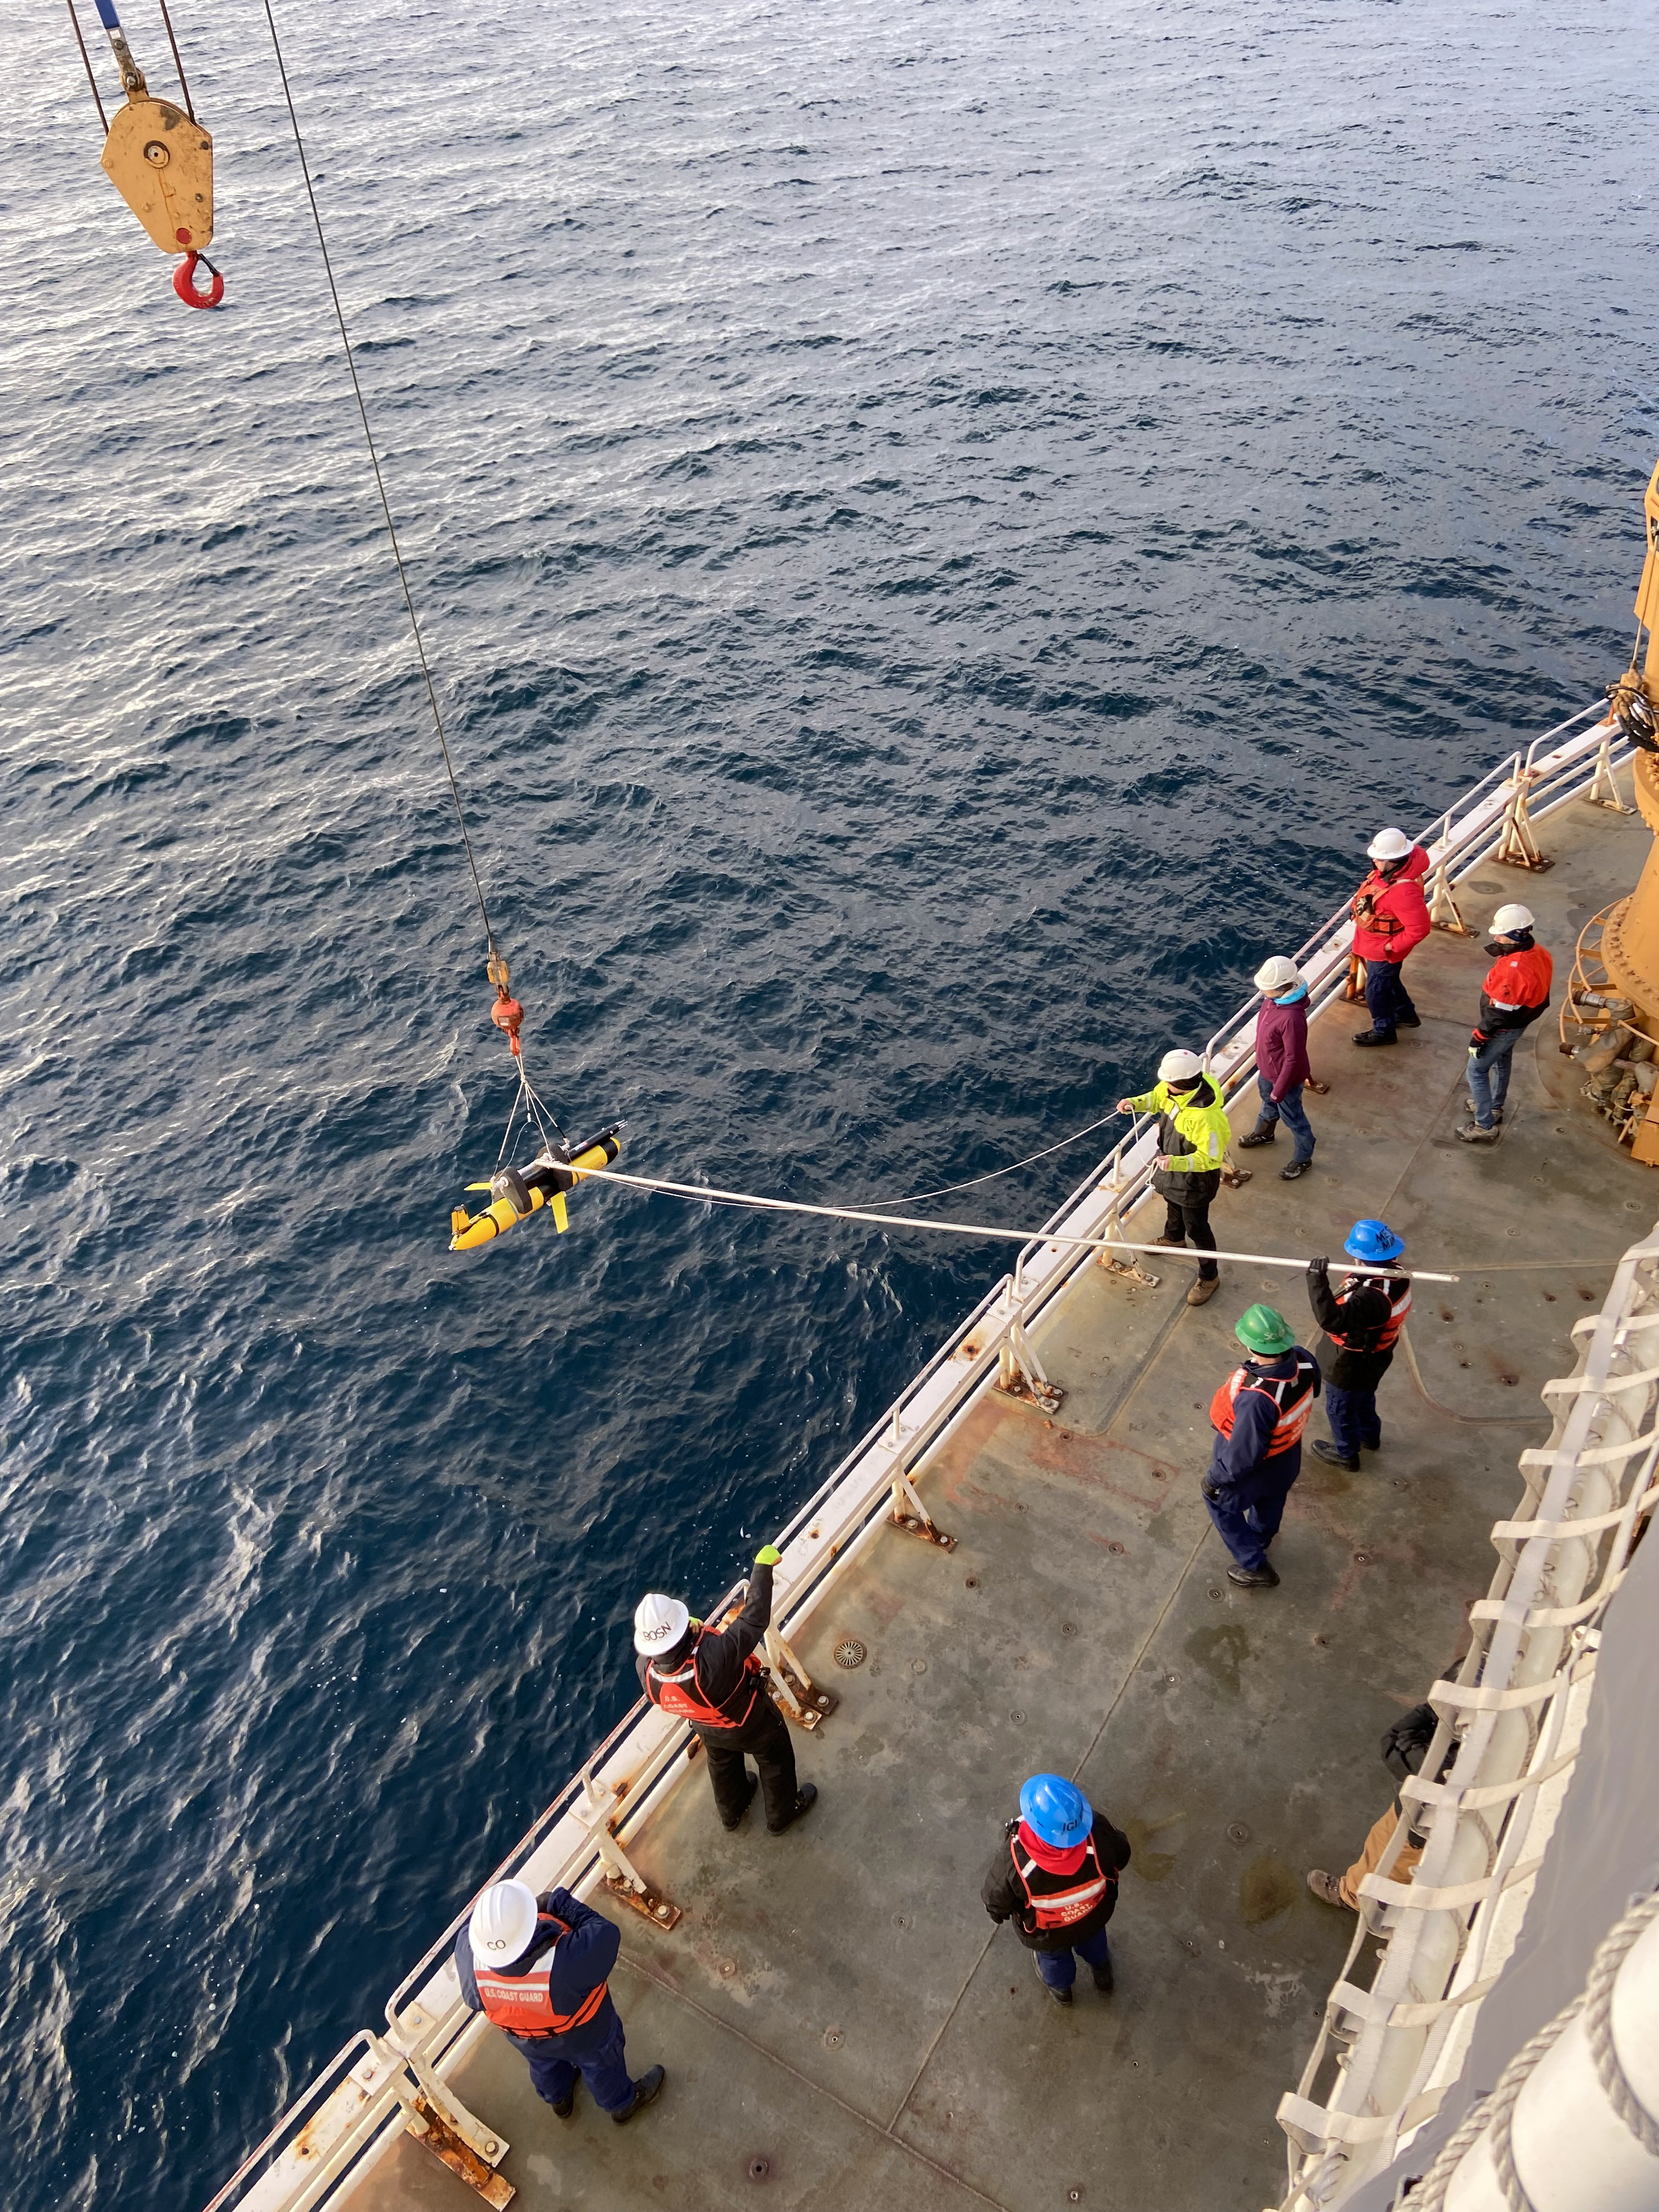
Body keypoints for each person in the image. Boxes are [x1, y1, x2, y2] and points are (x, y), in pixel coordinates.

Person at [635, 1546, 817, 1835]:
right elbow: (754, 1619)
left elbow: (659, 1659)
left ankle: (733, 1812)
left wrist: (684, 1635)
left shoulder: (647, 1673)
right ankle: (781, 1815)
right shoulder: (713, 1658)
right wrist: (762, 1568)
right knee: (776, 1760)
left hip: (707, 1728)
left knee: (721, 1762)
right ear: (682, 1628)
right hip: (751, 1722)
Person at [455, 1878, 665, 2123]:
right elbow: (605, 1934)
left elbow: (473, 1995)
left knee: (545, 2067)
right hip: (586, 2035)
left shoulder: (469, 1958)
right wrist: (559, 1904)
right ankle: (621, 2105)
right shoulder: (566, 1963)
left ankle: (560, 2101)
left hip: (527, 2039)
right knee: (601, 2064)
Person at [980, 1773, 1133, 2005]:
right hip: (1093, 1917)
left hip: (1049, 1934)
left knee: (1054, 1961)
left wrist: (998, 1914)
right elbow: (1122, 1854)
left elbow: (996, 1899)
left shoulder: (1016, 1863)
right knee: (1095, 1944)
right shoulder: (1097, 1833)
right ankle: (1103, 1974)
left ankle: (1062, 1993)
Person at [1203, 1304, 1321, 1588]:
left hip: (1257, 1468)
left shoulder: (1257, 1398)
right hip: (1286, 1459)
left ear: (1248, 1343)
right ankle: (1262, 1536)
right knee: (1272, 1499)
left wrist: (1214, 1479)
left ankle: (1254, 1566)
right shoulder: (1305, 1360)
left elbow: (1242, 1457)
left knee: (1220, 1504)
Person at [1117, 1048, 1234, 1306]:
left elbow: (1212, 1160)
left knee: (1199, 1229)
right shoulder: (1172, 1091)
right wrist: (1134, 1103)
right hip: (1172, 1170)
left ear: (1181, 1083)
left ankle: (1209, 1277)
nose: (1164, 1085)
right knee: (1172, 1204)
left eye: (1168, 1081)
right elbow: (1156, 1098)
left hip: (1195, 1181)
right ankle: (1173, 1239)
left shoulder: (1208, 1118)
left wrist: (1176, 1162)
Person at [1306, 1702, 1446, 1911]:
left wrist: (1427, 1717)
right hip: (1480, 1812)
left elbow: (1395, 1753)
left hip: (1431, 1814)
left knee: (1389, 1850)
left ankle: (1354, 1895)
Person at [1305, 1220, 1412, 1471]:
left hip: (1351, 1363)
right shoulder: (1397, 1275)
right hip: (1378, 1355)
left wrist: (1316, 1281)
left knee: (1340, 1409)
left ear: (1358, 1256)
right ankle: (1370, 1436)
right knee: (1364, 1398)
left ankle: (1346, 1454)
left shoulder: (1369, 1296)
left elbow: (1331, 1321)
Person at [1457, 902, 1553, 1144]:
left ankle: (1484, 1125)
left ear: (1513, 936)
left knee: (1476, 1071)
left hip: (1504, 1026)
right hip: (1520, 1021)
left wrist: (1480, 1037)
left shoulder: (1514, 970)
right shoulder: (1539, 953)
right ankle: (1494, 1107)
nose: (1495, 936)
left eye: (1500, 933)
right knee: (1502, 1061)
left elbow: (1499, 1013)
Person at [1350, 828, 1431, 1047]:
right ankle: (1405, 1014)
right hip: (1376, 943)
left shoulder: (1403, 892)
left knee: (1376, 991)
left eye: (1380, 858)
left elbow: (1420, 929)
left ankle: (1383, 1031)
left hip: (1383, 949)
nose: (1375, 860)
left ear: (1393, 860)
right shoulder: (1399, 872)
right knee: (1390, 982)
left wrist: (1390, 947)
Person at [1237, 956, 1316, 1180]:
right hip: (1268, 1073)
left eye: (1267, 989)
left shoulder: (1291, 1018)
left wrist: (1280, 1089)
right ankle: (1264, 1134)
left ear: (1284, 988)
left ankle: (1303, 1158)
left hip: (1285, 1081)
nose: (1263, 993)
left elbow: (1293, 1058)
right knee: (1268, 1106)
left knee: (1295, 1120)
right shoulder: (1273, 1001)